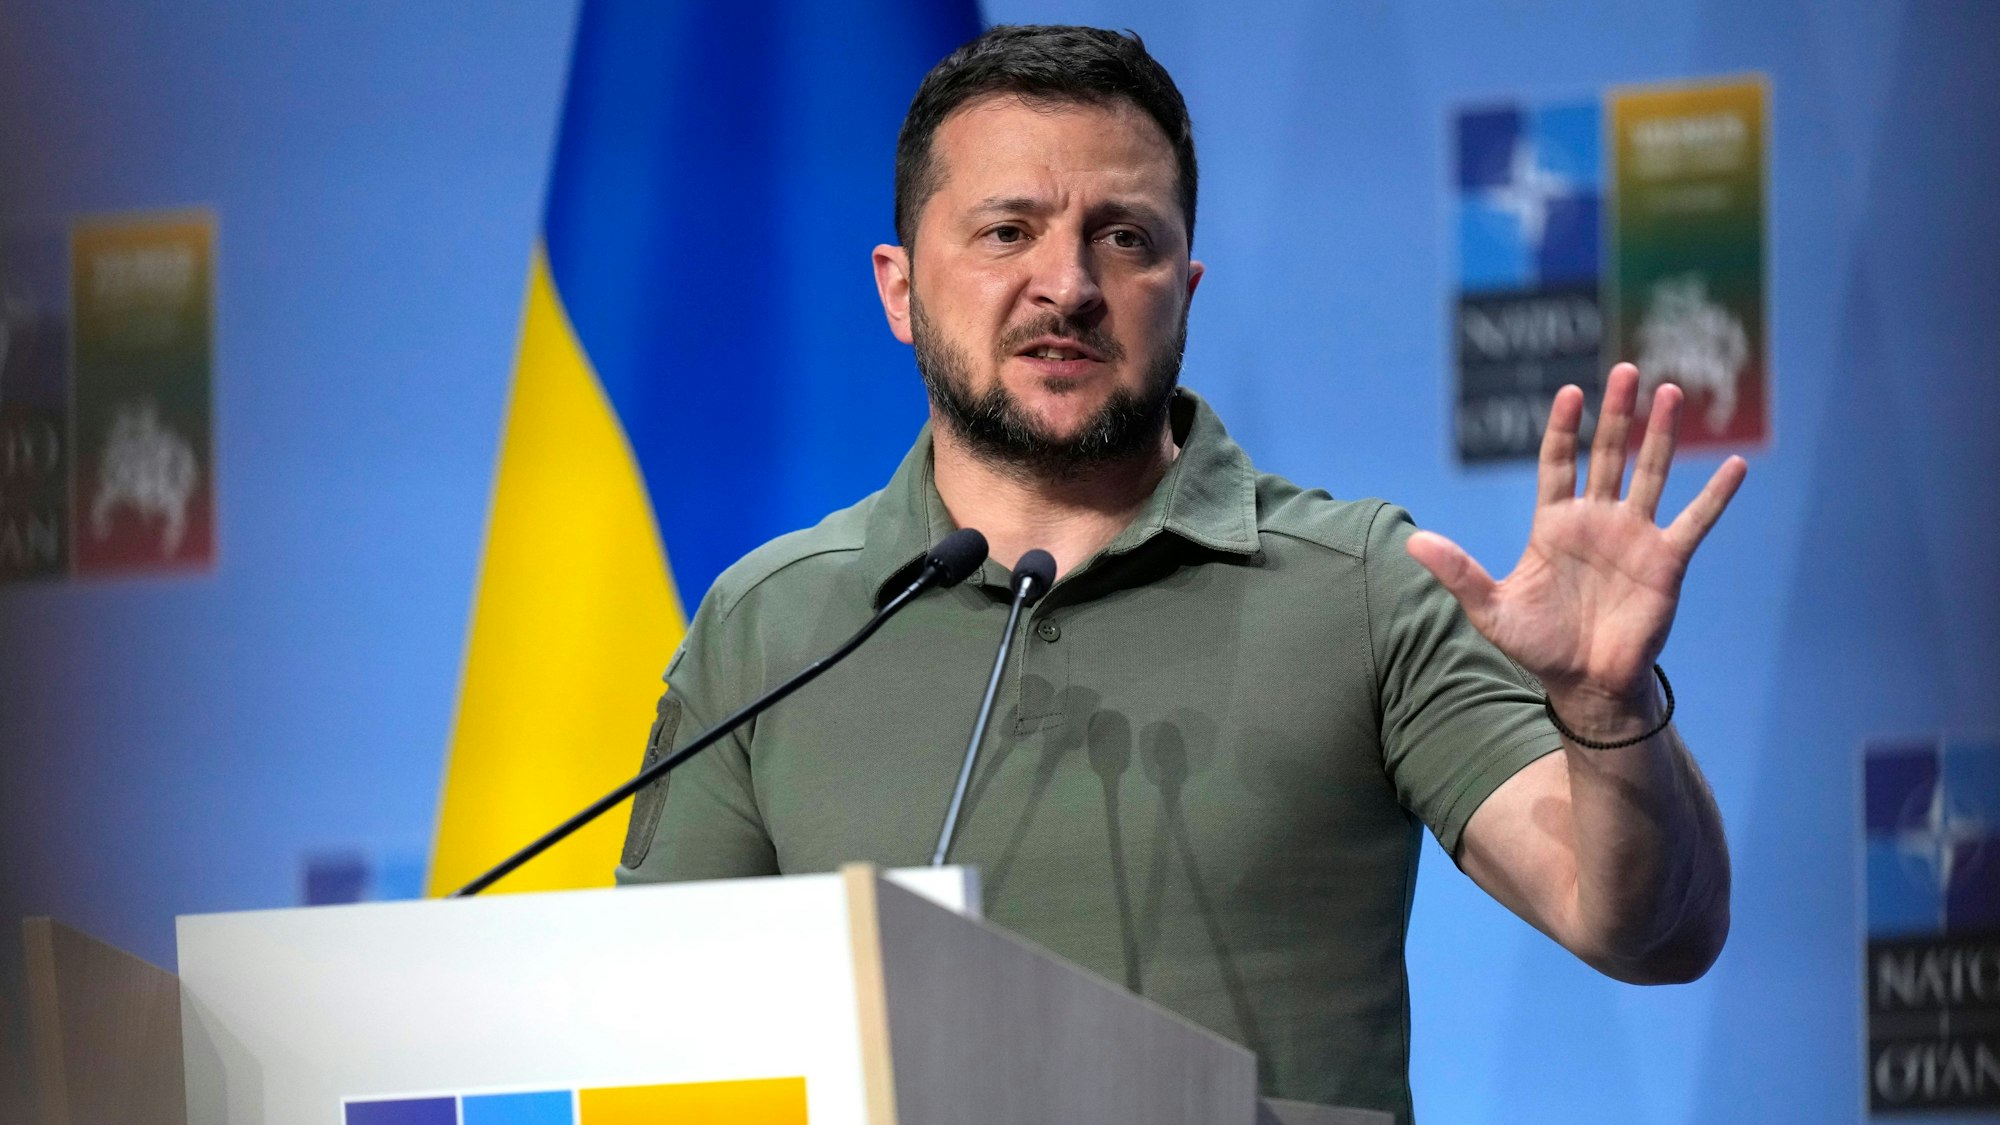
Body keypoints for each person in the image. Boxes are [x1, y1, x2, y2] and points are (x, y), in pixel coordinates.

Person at [617, 25, 1744, 1123]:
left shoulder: (1359, 587)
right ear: (899, 288)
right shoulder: (769, 622)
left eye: (1122, 238)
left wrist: (1606, 710)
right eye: (1006, 232)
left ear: (1185, 287)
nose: (1066, 284)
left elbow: (1647, 929)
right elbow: (652, 1045)